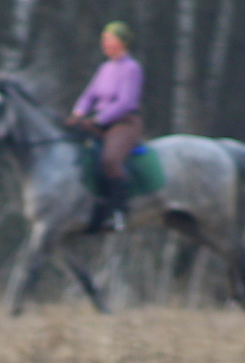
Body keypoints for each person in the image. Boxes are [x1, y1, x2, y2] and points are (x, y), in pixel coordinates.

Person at [67, 21, 144, 231]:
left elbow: (125, 102)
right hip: (99, 121)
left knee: (109, 160)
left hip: (124, 123)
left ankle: (119, 211)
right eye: (104, 40)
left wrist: (98, 119)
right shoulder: (105, 68)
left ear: (122, 43)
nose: (105, 44)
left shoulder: (131, 68)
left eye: (109, 40)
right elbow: (89, 95)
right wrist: (78, 113)